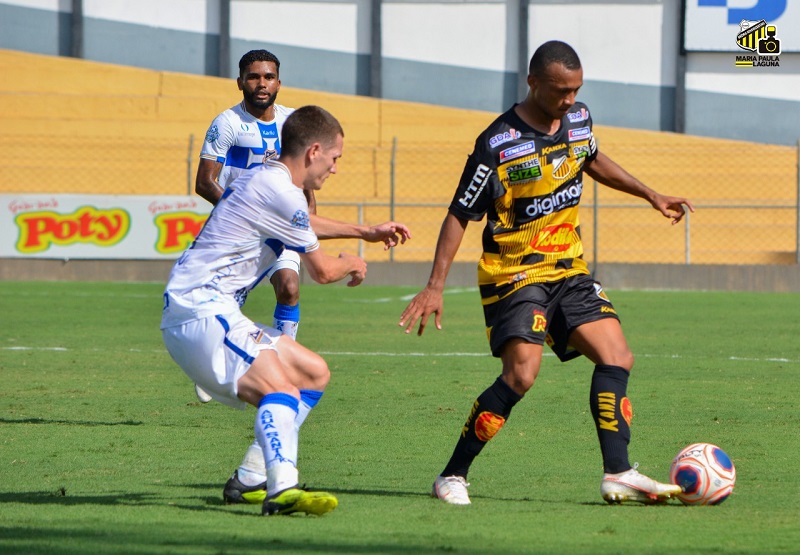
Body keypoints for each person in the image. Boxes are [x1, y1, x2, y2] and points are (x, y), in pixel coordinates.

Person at [398, 40, 693, 506]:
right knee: (521, 376)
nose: (569, 100)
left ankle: (617, 472)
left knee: (617, 356)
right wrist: (434, 286)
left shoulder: (578, 119)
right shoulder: (497, 143)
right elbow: (459, 213)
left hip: (569, 268)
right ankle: (452, 476)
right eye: (560, 91)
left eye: (576, 90)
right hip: (514, 273)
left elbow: (591, 158)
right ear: (533, 82)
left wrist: (650, 194)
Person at [162, 105, 409, 516]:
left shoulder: (267, 181)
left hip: (210, 310)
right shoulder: (281, 192)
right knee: (281, 391)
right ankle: (282, 488)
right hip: (199, 310)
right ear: (314, 151)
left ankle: (250, 478)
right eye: (335, 159)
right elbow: (325, 271)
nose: (335, 169)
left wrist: (367, 231)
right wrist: (353, 260)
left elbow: (305, 224)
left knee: (313, 372)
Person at [194, 49, 309, 406]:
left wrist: (305, 221)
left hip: (281, 225)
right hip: (240, 231)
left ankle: (285, 366)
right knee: (224, 304)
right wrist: (241, 213)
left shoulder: (292, 124)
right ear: (241, 81)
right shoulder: (227, 123)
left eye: (269, 77)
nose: (262, 84)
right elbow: (204, 182)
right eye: (254, 77)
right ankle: (212, 365)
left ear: (279, 82)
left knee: (289, 288)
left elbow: (304, 180)